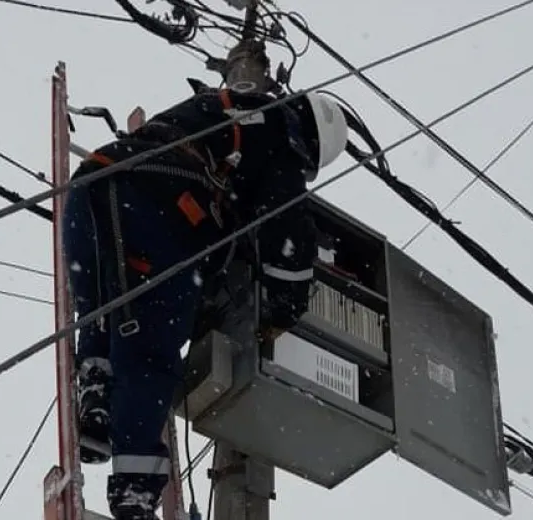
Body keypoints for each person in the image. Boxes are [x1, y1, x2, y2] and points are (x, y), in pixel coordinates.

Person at [60, 82, 349, 519]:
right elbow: (286, 230)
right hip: (156, 209)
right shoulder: (282, 135)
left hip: (91, 188)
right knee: (150, 347)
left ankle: (97, 399)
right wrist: (286, 306)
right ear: (310, 143)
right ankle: (134, 492)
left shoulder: (223, 108)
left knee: (103, 311)